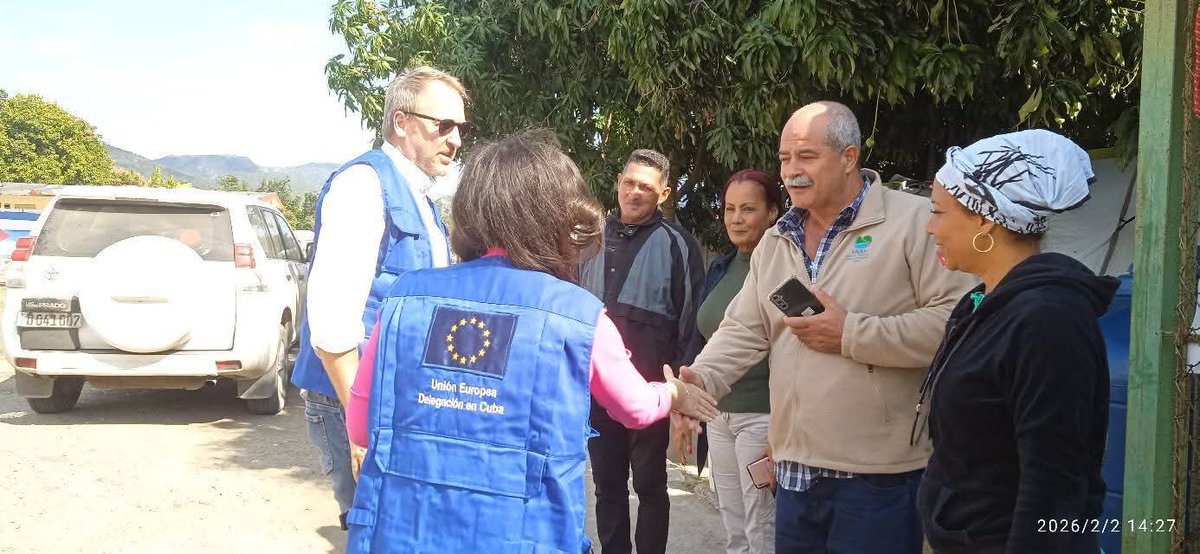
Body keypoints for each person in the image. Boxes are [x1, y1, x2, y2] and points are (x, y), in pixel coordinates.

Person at [341, 131, 719, 552]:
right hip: (522, 535)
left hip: (402, 534)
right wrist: (674, 391)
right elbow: (635, 407)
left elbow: (360, 425)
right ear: (558, 216)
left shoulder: (404, 298)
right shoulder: (578, 313)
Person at [678, 101, 976, 553]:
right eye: (784, 159)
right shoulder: (777, 241)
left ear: (849, 157)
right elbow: (744, 328)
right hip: (795, 472)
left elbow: (959, 322)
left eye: (806, 157)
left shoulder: (915, 223)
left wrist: (852, 334)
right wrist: (701, 380)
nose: (791, 171)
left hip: (880, 478)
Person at [917, 129, 1116, 553]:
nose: (930, 227)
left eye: (938, 212)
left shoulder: (1048, 321)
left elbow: (1054, 483)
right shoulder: (977, 304)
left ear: (984, 218)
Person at [289, 65, 467, 530]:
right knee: (377, 529)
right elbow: (330, 322)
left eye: (460, 128)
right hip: (356, 400)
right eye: (442, 125)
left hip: (394, 397)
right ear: (401, 122)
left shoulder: (422, 197)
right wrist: (360, 423)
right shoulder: (363, 186)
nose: (454, 139)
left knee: (401, 529)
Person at [579, 148, 705, 554]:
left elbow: (691, 321)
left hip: (652, 390)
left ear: (664, 193)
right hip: (597, 390)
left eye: (646, 187)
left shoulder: (678, 245)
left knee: (651, 485)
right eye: (629, 183)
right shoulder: (588, 238)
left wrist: (681, 392)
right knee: (606, 485)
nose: (635, 193)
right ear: (618, 181)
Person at [679, 169, 782, 554]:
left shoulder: (783, 264)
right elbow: (703, 336)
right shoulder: (722, 268)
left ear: (772, 212)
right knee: (733, 525)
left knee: (762, 527)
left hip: (763, 416)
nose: (736, 218)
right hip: (719, 415)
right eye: (729, 209)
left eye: (748, 209)